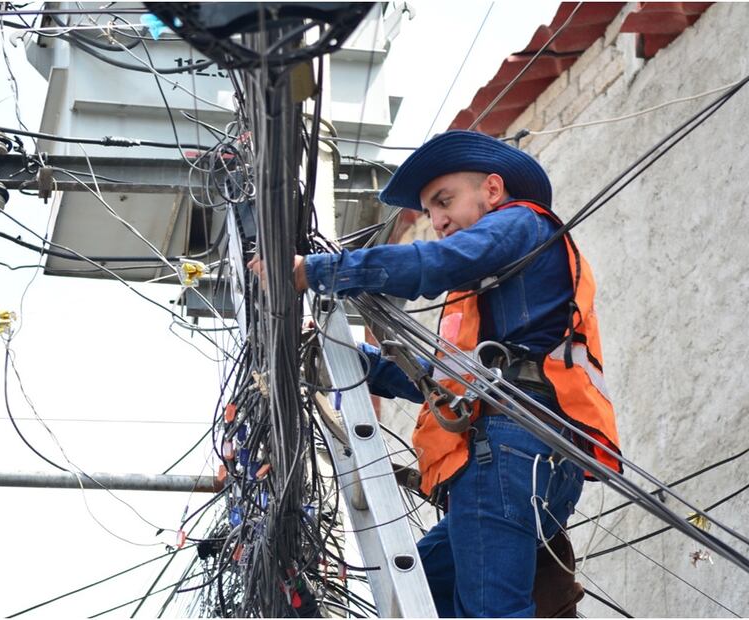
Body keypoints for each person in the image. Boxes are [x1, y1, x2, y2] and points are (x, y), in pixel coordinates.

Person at [250, 130, 621, 617]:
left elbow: (437, 263)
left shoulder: (520, 223)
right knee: (419, 587)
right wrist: (361, 366)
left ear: (491, 189)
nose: (438, 221)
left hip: (512, 446)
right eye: (429, 212)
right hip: (532, 451)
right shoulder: (494, 299)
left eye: (444, 202)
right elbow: (448, 384)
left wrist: (319, 271)